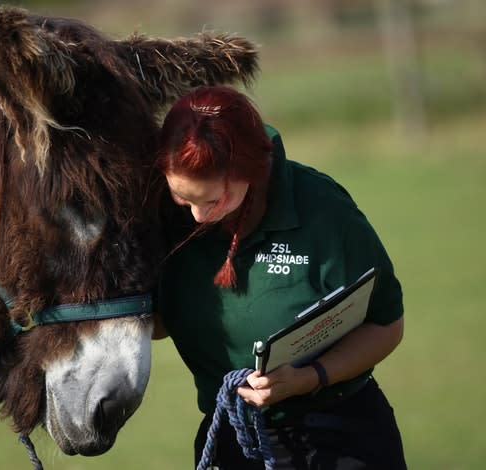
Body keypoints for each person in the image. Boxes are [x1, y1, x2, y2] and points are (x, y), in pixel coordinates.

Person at [153, 85, 407, 470]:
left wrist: (309, 377)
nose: (197, 218)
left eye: (214, 201)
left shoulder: (324, 211)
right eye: (182, 199)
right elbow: (154, 324)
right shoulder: (161, 219)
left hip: (339, 436)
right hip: (231, 436)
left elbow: (386, 325)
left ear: (251, 171)